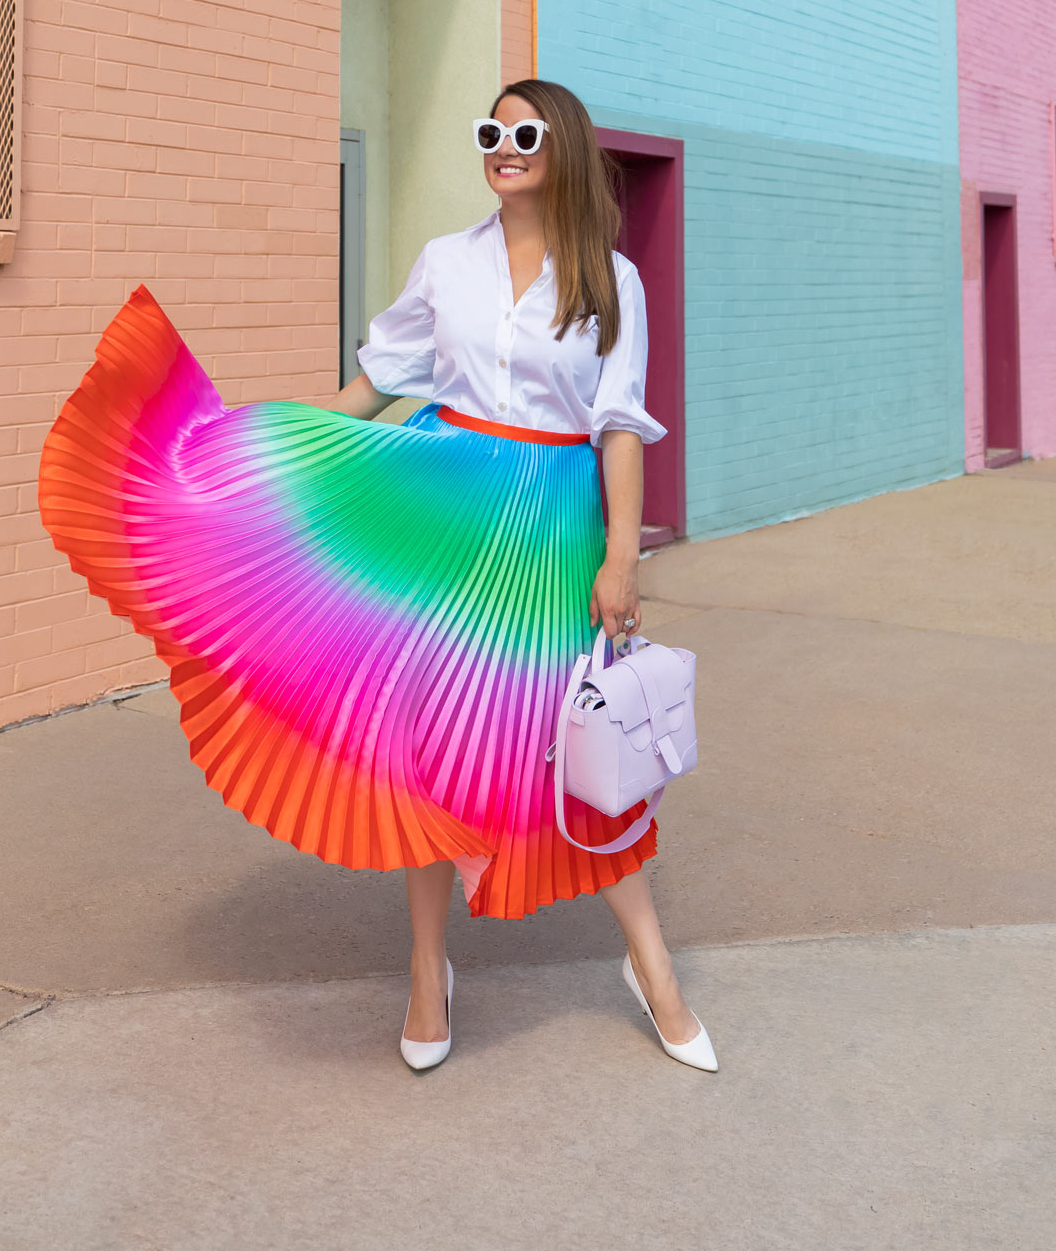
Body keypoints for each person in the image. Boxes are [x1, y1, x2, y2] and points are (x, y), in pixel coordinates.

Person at [39, 77, 715, 1073]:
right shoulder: (448, 263)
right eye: (489, 130)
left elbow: (617, 426)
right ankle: (425, 966)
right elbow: (380, 379)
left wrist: (621, 555)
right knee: (426, 745)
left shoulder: (612, 281)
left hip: (552, 531)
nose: (502, 146)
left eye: (522, 132)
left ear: (561, 148)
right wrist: (281, 460)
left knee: (577, 737)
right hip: (437, 518)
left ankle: (650, 969)